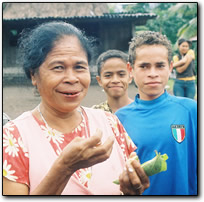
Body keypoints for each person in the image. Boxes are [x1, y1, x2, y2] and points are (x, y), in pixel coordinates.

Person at [3, 21, 150, 195]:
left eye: (79, 67)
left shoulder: (110, 123)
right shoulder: (13, 137)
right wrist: (64, 168)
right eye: (58, 67)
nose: (72, 78)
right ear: (33, 75)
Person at [116, 31, 197, 195]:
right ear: (130, 69)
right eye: (144, 66)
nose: (152, 73)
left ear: (170, 68)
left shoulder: (191, 110)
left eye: (160, 65)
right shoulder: (118, 118)